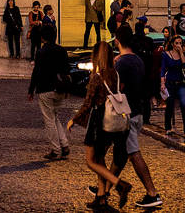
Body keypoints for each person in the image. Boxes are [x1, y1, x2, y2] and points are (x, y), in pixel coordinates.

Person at [93, 26, 162, 208]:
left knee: (133, 153)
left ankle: (152, 194)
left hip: (125, 115)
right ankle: (105, 188)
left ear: (117, 41)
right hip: (137, 111)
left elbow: (118, 88)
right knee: (120, 154)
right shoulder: (138, 60)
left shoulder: (121, 64)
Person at [68, 42, 131, 211]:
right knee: (101, 158)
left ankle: (120, 184)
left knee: (91, 160)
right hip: (115, 122)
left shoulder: (97, 76)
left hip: (99, 121)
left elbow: (88, 102)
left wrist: (74, 120)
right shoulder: (115, 74)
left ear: (97, 56)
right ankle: (101, 197)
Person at [27, 25, 70, 161]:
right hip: (60, 89)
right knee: (55, 117)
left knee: (49, 120)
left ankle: (56, 150)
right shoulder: (62, 50)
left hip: (45, 89)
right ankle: (64, 145)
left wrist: (31, 90)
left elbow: (36, 72)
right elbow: (67, 71)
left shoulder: (41, 52)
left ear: (43, 37)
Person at [161, 35, 185, 138]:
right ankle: (168, 127)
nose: (178, 45)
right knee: (169, 105)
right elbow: (163, 69)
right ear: (173, 44)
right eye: (177, 43)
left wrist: (181, 52)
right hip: (170, 83)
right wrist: (162, 83)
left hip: (180, 82)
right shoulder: (166, 55)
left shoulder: (183, 55)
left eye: (180, 43)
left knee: (183, 104)